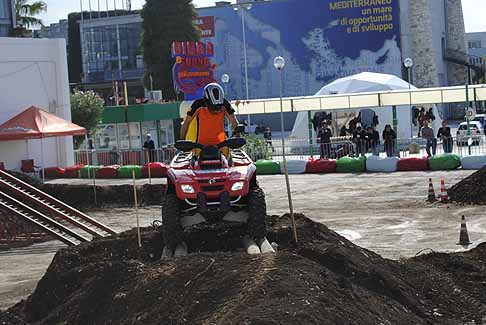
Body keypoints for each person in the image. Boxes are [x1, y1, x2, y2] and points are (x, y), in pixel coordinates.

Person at [180, 83, 239, 155]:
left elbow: (234, 122)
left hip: (222, 145)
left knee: (229, 163)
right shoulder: (198, 105)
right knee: (196, 164)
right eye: (213, 107)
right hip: (201, 147)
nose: (217, 110)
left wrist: (238, 140)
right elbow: (186, 122)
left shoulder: (225, 104)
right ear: (206, 101)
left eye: (219, 107)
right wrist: (182, 142)